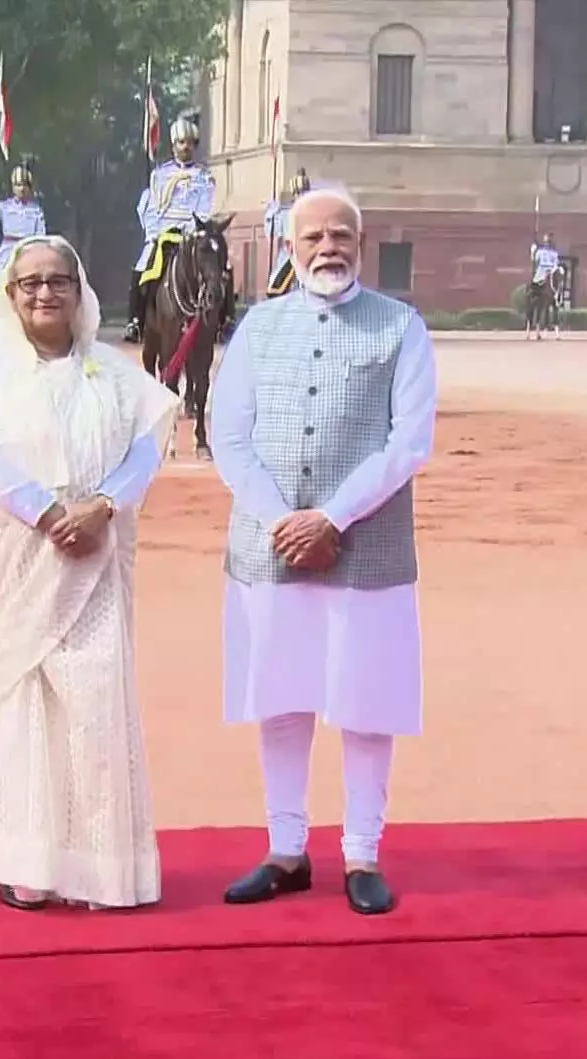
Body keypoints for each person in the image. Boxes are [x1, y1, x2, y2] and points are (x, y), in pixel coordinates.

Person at [207, 184, 437, 918]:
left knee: (366, 705)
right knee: (281, 698)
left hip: (366, 549)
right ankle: (285, 851)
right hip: (269, 547)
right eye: (313, 238)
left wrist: (331, 520)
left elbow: (409, 444)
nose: (327, 248)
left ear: (360, 248)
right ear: (289, 249)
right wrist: (286, 521)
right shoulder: (257, 328)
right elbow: (230, 437)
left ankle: (363, 855)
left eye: (341, 236)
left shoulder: (401, 328)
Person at [0, 234, 179, 912]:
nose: (45, 293)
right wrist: (49, 515)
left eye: (58, 281)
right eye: (30, 284)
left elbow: (149, 442)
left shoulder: (111, 371)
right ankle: (28, 866)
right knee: (21, 705)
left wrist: (101, 508)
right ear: (10, 296)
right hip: (20, 562)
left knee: (95, 703)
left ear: (80, 291)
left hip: (93, 561)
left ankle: (103, 871)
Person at [125, 112, 216, 342]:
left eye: (189, 143)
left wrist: (193, 230)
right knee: (143, 266)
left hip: (192, 231)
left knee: (219, 264)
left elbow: (206, 207)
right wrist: (155, 233)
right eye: (180, 143)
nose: (184, 147)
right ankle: (136, 320)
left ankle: (223, 319)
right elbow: (153, 208)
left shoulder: (203, 176)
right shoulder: (160, 174)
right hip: (164, 232)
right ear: (173, 145)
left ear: (194, 145)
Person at [0, 160, 48, 308]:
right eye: (18, 185)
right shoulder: (4, 207)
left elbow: (41, 236)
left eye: (25, 185)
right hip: (7, 250)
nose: (21, 189)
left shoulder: (36, 210)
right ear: (13, 187)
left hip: (28, 249)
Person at [262, 167, 313, 299]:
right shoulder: (285, 213)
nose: (301, 196)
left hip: (310, 257)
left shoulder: (315, 213)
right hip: (288, 258)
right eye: (299, 193)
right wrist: (270, 216)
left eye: (304, 193)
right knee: (277, 287)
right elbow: (271, 234)